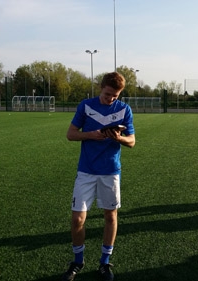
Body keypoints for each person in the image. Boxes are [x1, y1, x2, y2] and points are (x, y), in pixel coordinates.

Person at [62, 72, 135, 281]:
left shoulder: (124, 109)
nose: (111, 99)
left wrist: (118, 138)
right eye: (107, 94)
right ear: (100, 87)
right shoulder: (86, 106)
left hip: (110, 170)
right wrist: (90, 135)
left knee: (110, 216)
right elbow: (70, 134)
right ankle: (77, 261)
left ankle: (104, 262)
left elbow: (132, 142)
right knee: (77, 219)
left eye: (115, 96)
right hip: (86, 170)